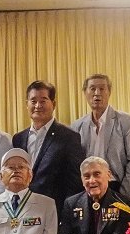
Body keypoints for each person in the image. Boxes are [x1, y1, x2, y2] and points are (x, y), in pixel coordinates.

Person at [70, 74, 130, 205]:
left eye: (102, 89)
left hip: (120, 187)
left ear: (109, 92)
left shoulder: (126, 121)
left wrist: (123, 195)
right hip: (90, 189)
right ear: (85, 93)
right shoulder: (77, 126)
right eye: (92, 89)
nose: (97, 93)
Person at [13, 80, 85, 211]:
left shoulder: (69, 137)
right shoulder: (18, 138)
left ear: (53, 104)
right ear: (26, 104)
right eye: (33, 101)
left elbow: (75, 183)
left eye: (43, 101)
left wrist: (67, 213)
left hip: (54, 210)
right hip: (22, 210)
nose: (37, 105)